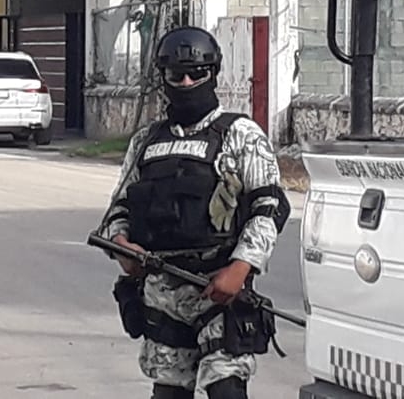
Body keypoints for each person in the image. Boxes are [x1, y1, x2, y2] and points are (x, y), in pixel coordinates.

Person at [97, 26, 287, 399]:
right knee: (168, 394)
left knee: (227, 390)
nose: (186, 82)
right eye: (176, 75)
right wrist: (121, 246)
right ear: (163, 77)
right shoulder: (146, 141)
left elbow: (270, 206)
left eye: (196, 74)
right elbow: (117, 210)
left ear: (212, 73)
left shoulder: (241, 135)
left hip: (219, 290)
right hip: (161, 295)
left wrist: (241, 267)